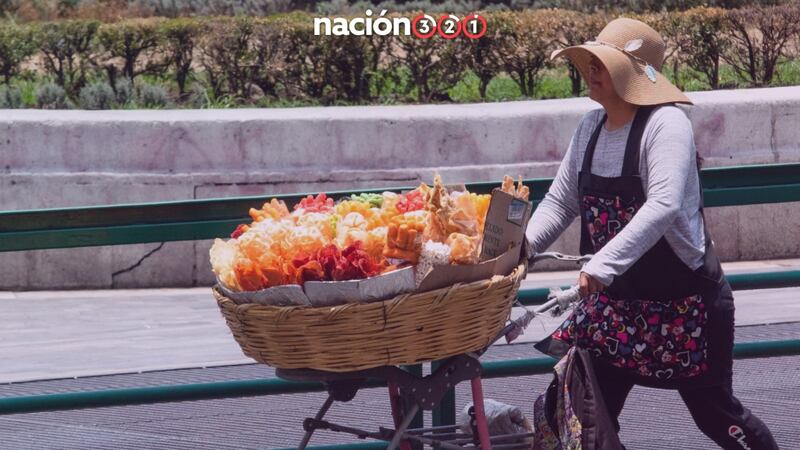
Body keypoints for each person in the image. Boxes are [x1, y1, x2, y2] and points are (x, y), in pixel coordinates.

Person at [524, 17, 779, 449]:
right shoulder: (589, 128)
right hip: (614, 310)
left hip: (685, 309)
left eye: (602, 63)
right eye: (591, 62)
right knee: (572, 412)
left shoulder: (666, 126)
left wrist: (601, 265)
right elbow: (560, 201)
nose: (592, 70)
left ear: (632, 74)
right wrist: (521, 249)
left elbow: (663, 205)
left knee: (715, 416)